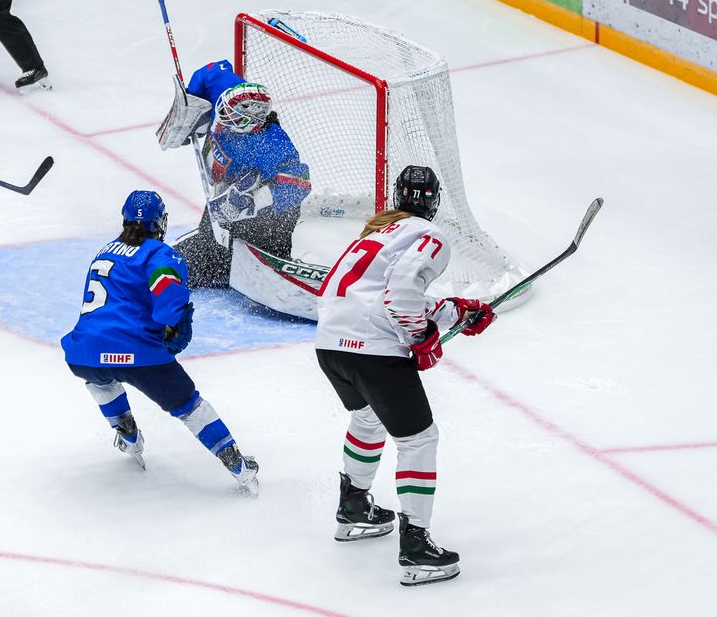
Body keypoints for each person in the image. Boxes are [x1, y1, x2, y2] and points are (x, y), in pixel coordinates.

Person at [313, 165, 496, 587]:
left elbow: (380, 295)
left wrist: (456, 313)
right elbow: (402, 294)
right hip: (373, 352)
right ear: (434, 199)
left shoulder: (377, 232)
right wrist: (420, 336)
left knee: (367, 419)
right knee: (419, 439)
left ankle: (354, 509)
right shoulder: (429, 235)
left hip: (330, 344)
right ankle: (416, 548)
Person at [60, 190, 259, 493]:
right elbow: (169, 300)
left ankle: (127, 433)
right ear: (160, 222)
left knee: (100, 379)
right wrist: (178, 320)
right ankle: (237, 464)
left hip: (82, 353)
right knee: (189, 406)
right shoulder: (159, 254)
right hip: (138, 355)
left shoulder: (103, 252)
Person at [165, 60, 311, 286]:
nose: (220, 118)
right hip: (228, 192)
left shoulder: (271, 143)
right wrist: (191, 107)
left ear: (247, 123)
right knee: (209, 259)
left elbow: (299, 183)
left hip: (271, 212)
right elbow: (212, 70)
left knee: (254, 272)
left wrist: (254, 202)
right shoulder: (230, 97)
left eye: (228, 117)